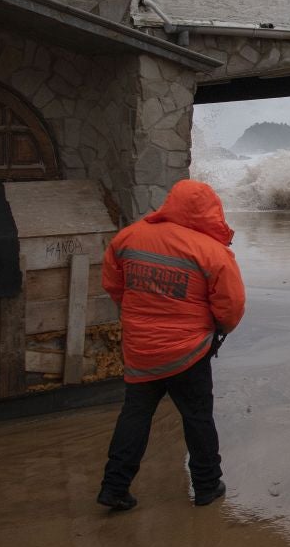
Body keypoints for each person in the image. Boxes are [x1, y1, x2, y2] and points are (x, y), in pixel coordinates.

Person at [96, 179, 246, 511]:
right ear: (210, 210)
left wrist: (137, 314)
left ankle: (114, 486)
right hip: (188, 351)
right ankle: (207, 486)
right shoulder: (211, 251)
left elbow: (112, 282)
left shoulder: (129, 237)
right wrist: (218, 331)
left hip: (141, 349)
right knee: (197, 417)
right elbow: (231, 307)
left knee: (135, 415)